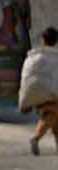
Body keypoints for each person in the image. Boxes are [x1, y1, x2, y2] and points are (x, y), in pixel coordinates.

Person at [22, 26, 58, 155]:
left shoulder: (32, 57)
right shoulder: (55, 58)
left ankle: (37, 139)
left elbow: (26, 78)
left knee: (53, 116)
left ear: (43, 39)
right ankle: (35, 138)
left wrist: (25, 101)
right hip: (48, 98)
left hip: (35, 98)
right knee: (55, 112)